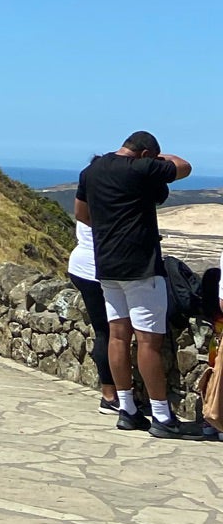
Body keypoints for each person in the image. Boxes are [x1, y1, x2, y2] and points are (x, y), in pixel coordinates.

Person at [77, 130, 194, 436]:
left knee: (117, 336)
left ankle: (127, 409)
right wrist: (158, 162)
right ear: (145, 154)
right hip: (140, 266)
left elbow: (81, 213)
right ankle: (160, 415)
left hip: (106, 264)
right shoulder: (142, 167)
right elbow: (184, 166)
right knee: (148, 341)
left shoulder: (91, 170)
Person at [65, 212, 119, 416]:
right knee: (110, 332)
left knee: (103, 331)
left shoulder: (89, 185)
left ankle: (113, 394)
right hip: (100, 269)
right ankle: (110, 396)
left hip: (82, 265)